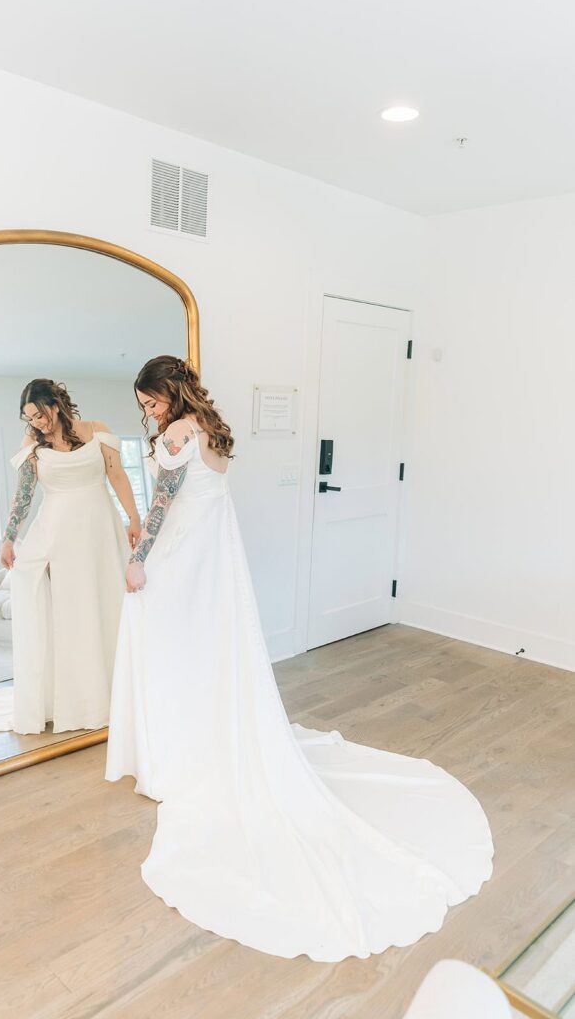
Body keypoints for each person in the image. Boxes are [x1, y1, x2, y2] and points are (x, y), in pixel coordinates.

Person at [105, 355, 494, 962]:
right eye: (143, 405)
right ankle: (193, 738)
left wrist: (138, 556)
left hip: (184, 552)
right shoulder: (212, 429)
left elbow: (161, 505)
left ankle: (175, 752)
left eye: (150, 401)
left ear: (170, 393)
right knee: (206, 651)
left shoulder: (178, 434)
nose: (147, 412)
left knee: (172, 647)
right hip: (211, 552)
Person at [0, 378, 140, 734]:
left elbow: (117, 475)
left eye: (40, 414)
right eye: (29, 417)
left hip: (99, 530)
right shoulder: (32, 446)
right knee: (71, 612)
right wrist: (9, 538)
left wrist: (134, 518)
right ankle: (71, 698)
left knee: (106, 605)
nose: (37, 422)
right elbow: (24, 495)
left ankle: (114, 695)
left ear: (57, 404)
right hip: (57, 533)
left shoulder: (97, 431)